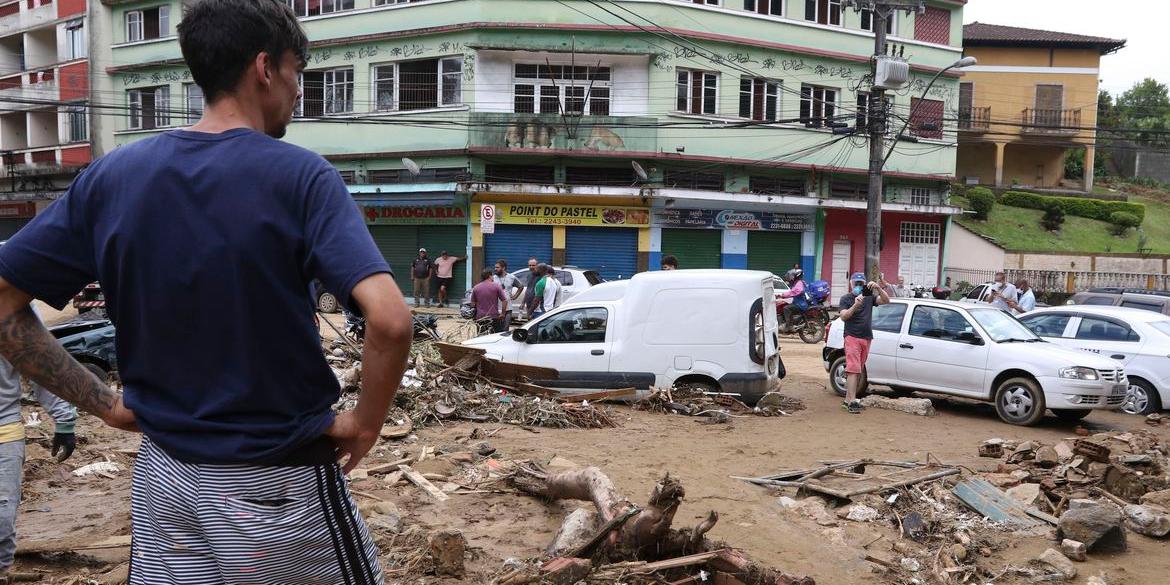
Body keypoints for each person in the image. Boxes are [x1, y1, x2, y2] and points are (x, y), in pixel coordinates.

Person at [0, 1, 415, 581]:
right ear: (265, 68)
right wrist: (367, 424)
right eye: (299, 71)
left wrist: (105, 406)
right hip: (278, 489)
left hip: (164, 485)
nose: (300, 91)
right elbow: (392, 322)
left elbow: (4, 303)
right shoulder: (302, 177)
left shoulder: (113, 177)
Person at [0, 350, 76, 578]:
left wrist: (64, 421)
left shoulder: (12, 314)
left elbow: (39, 365)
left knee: (2, 517)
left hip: (3, 430)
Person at [838, 272, 890, 414]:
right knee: (853, 369)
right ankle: (852, 401)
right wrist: (855, 306)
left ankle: (848, 401)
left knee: (857, 370)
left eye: (861, 284)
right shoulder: (846, 299)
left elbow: (886, 301)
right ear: (851, 284)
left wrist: (878, 288)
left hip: (866, 337)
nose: (858, 286)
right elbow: (843, 316)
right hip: (852, 337)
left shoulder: (869, 298)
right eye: (856, 283)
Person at [470, 269, 509, 333]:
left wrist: (474, 316)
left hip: (480, 317)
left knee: (481, 336)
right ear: (490, 276)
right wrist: (503, 313)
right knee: (495, 337)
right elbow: (504, 301)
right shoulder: (496, 286)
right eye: (492, 275)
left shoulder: (476, 287)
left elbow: (473, 304)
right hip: (494, 317)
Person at [492, 259, 524, 329]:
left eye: (497, 267)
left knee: (505, 329)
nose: (495, 269)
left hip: (508, 308)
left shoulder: (511, 277)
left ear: (503, 268)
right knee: (496, 329)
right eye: (495, 267)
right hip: (496, 308)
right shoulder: (493, 278)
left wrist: (515, 296)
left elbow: (521, 286)